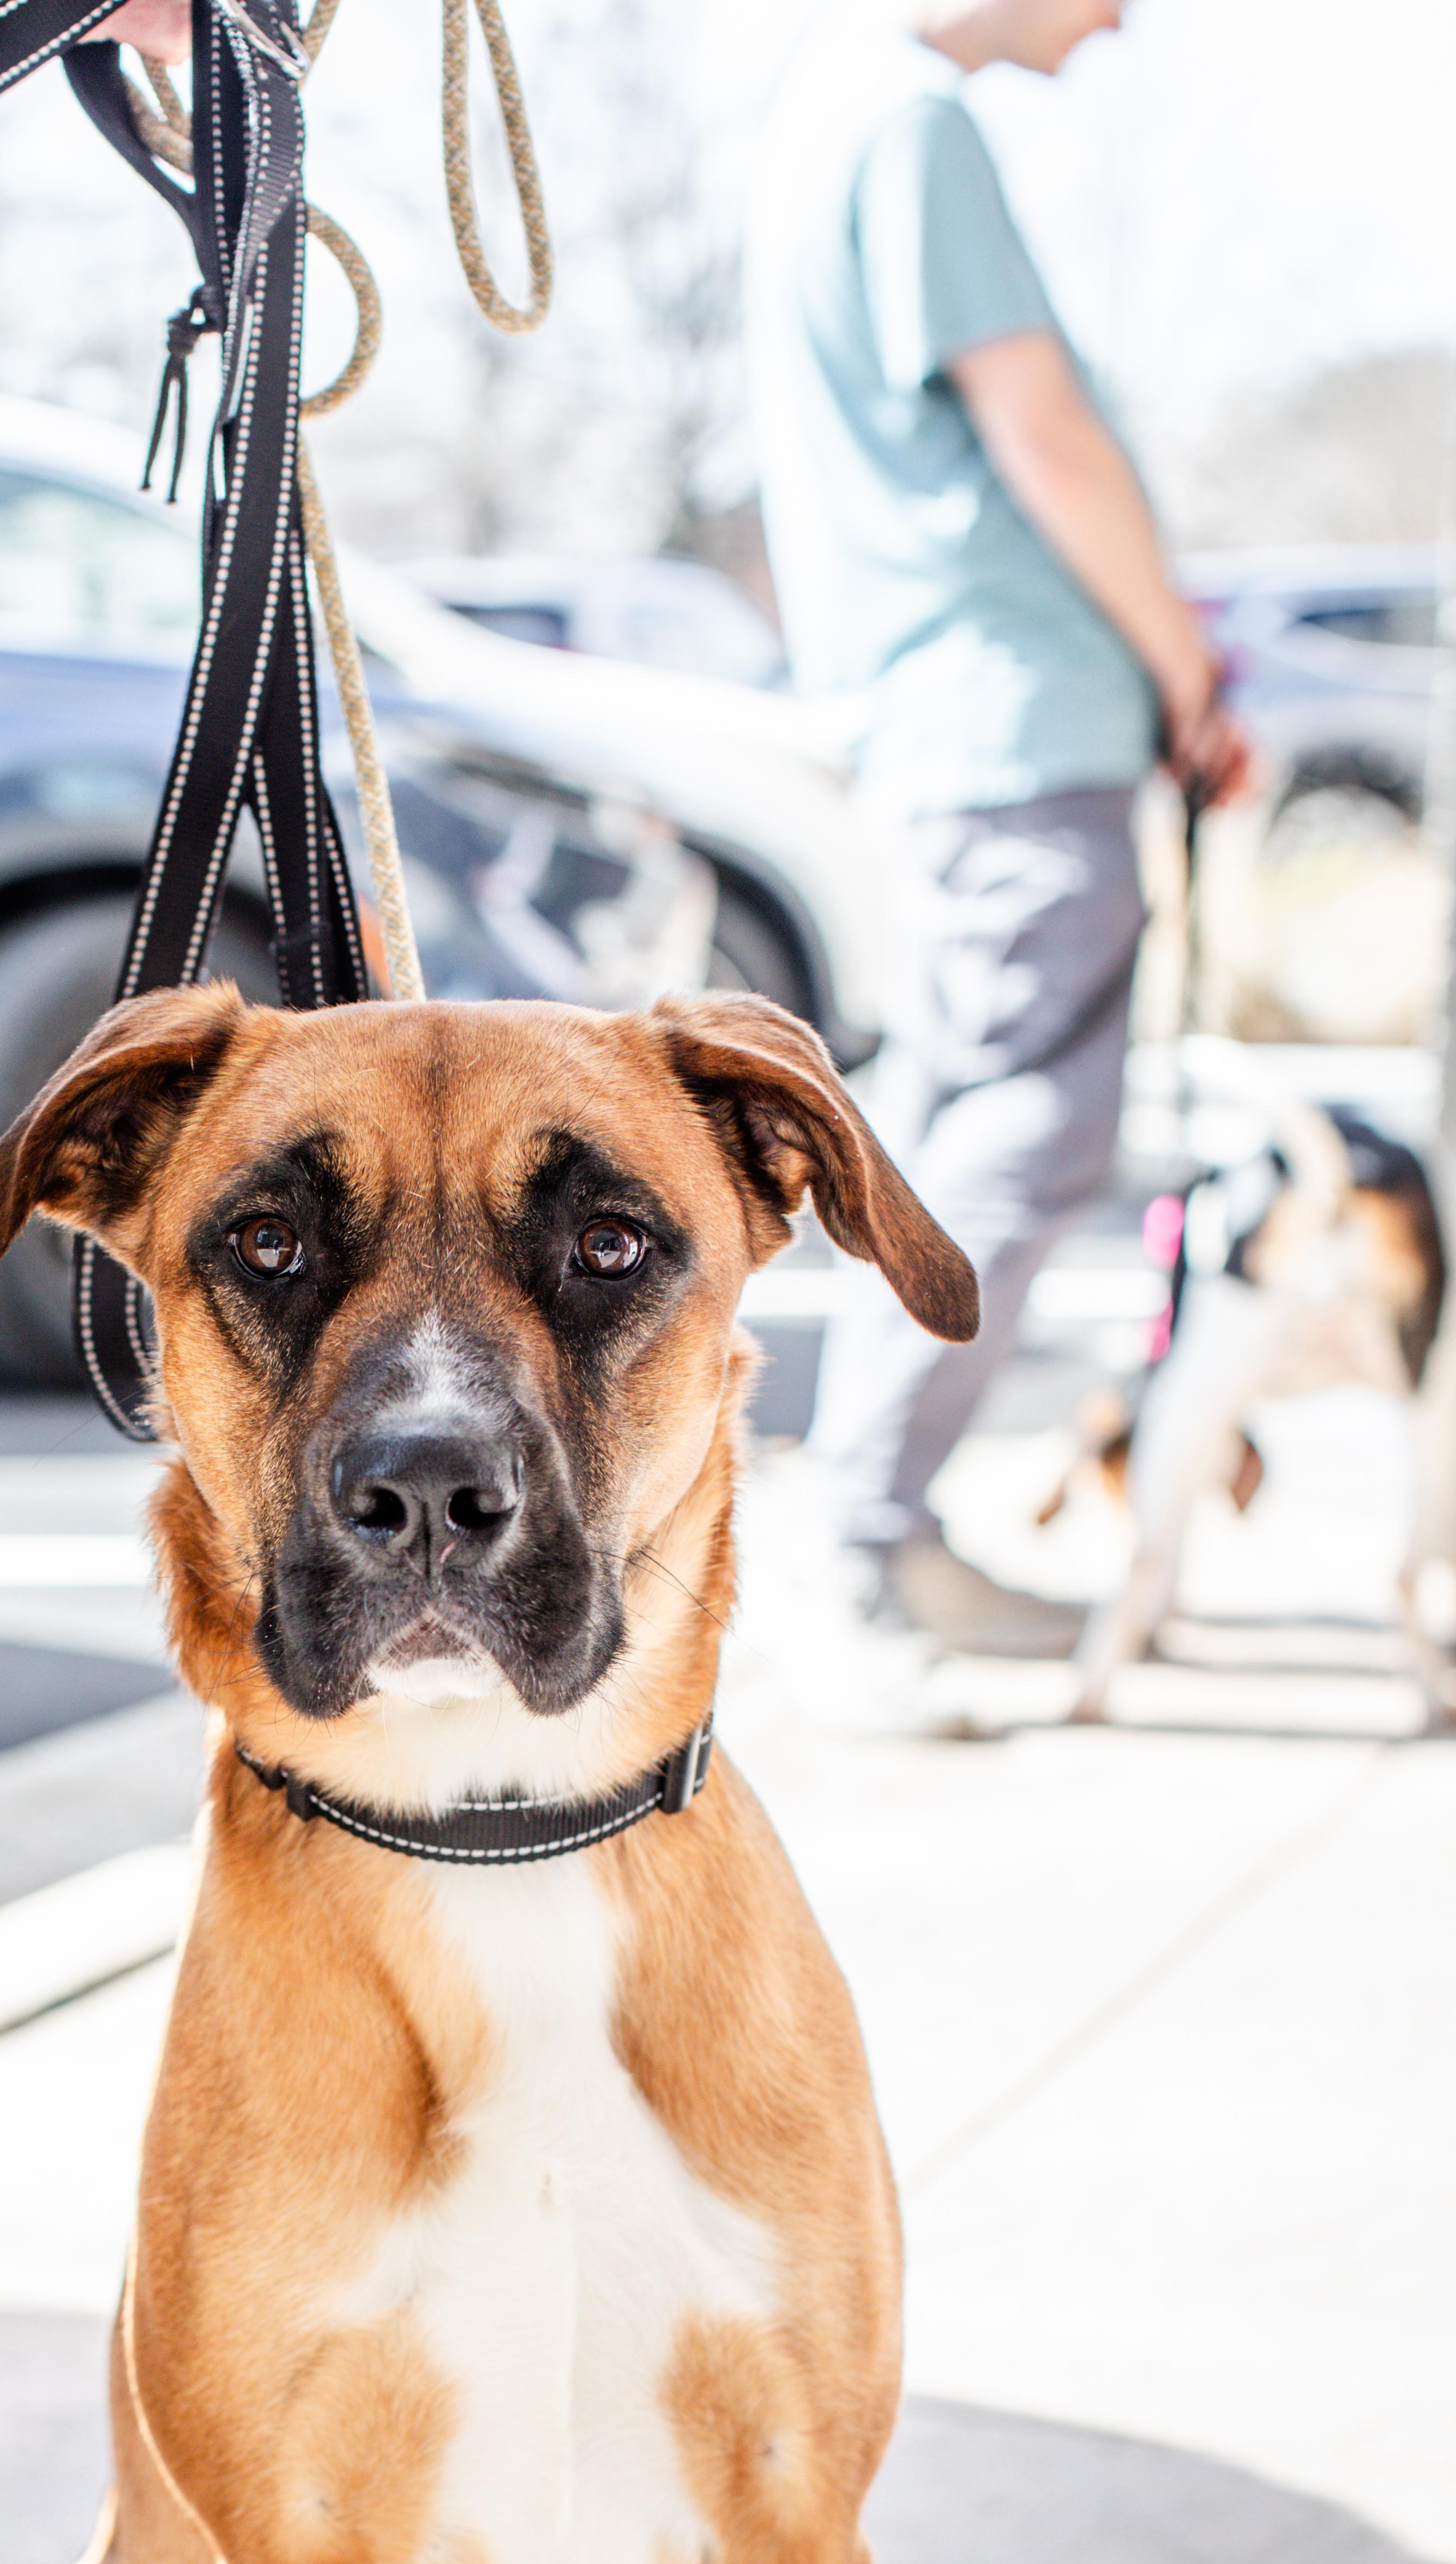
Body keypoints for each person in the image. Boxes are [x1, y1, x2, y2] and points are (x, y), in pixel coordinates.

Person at [746, 0, 1250, 1733]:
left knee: (972, 1111)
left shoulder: (834, 113)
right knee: (1025, 1131)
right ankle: (859, 1543)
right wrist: (1183, 660)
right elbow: (1038, 425)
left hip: (965, 718)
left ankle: (883, 1532)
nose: (1121, 21)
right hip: (1013, 716)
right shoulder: (913, 124)